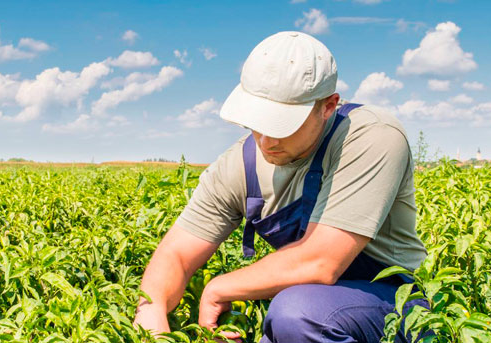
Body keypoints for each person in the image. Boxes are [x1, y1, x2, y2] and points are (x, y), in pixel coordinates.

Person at [133, 31, 428, 342]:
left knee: (296, 313)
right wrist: (151, 317)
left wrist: (220, 287)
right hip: (319, 311)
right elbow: (176, 255)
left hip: (398, 305)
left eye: (284, 124)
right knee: (293, 317)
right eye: (258, 121)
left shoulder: (370, 136)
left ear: (327, 106)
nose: (267, 140)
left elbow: (322, 261)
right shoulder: (238, 166)